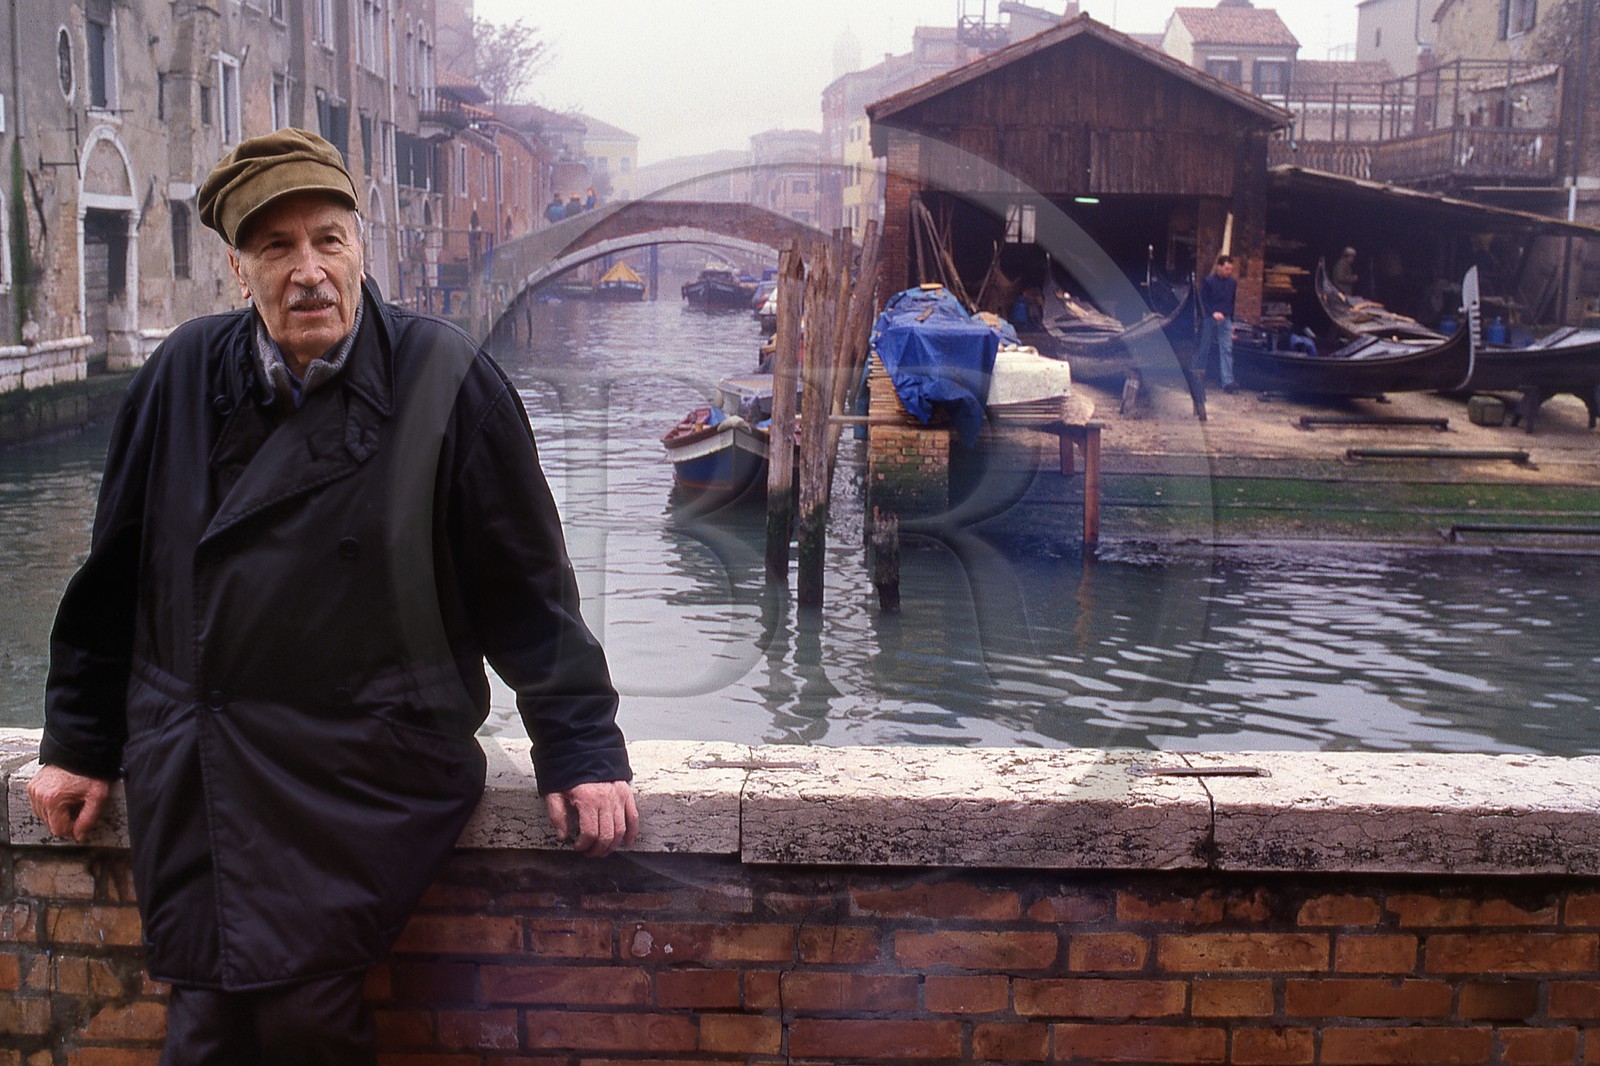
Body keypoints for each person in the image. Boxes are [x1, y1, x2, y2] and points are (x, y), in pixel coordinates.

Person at [28, 128, 638, 1064]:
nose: (308, 271)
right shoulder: (183, 373)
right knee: (209, 1019)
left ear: (362, 249)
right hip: (198, 757)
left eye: (328, 240)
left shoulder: (444, 379)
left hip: (360, 767)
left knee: (295, 1016)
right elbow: (112, 577)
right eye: (277, 248)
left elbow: (526, 585)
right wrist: (77, 740)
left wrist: (581, 743)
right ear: (240, 271)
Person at [1198, 253, 1239, 393]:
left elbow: (1231, 302)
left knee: (1227, 349)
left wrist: (1231, 321)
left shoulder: (1232, 283)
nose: (1229, 272)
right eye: (1226, 269)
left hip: (1226, 319)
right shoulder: (1209, 281)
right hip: (1210, 318)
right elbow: (1203, 301)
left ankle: (1227, 381)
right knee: (1204, 347)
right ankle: (1198, 379)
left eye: (1230, 269)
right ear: (1219, 267)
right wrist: (1212, 312)